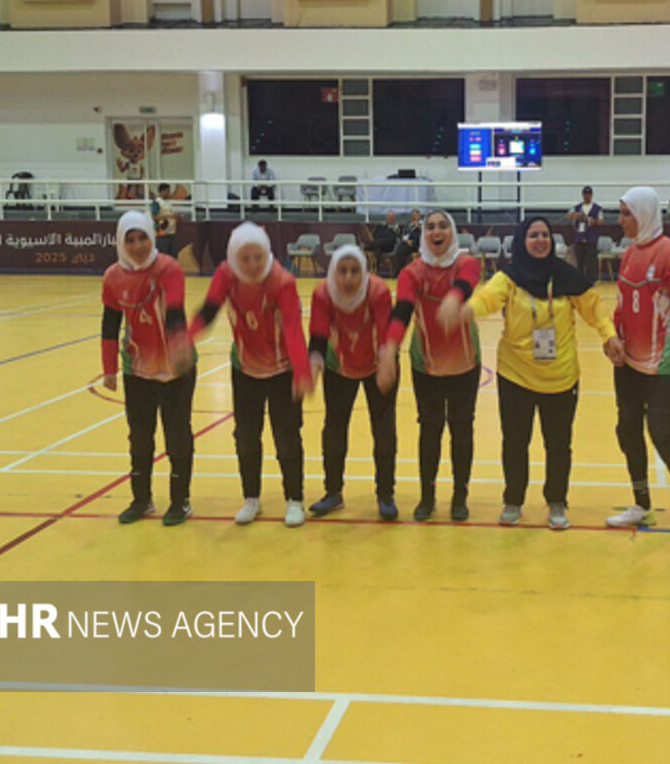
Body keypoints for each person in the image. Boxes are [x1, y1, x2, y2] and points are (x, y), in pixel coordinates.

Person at [442, 216, 622, 530]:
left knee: (558, 444)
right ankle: (513, 500)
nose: (540, 240)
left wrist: (609, 336)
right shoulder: (509, 278)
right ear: (522, 241)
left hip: (561, 376)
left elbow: (594, 309)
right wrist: (466, 311)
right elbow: (487, 298)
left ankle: (557, 501)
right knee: (515, 442)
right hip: (516, 374)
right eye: (533, 235)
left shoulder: (567, 277)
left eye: (545, 235)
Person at [188, 222, 313, 527]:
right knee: (245, 437)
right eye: (245, 258)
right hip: (245, 368)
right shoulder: (225, 275)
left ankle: (294, 499)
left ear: (267, 253)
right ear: (234, 256)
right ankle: (251, 498)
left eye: (258, 257)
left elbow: (293, 330)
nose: (253, 264)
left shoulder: (282, 281)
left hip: (282, 371)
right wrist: (186, 338)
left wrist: (301, 371)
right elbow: (209, 310)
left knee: (287, 437)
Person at [605, 187, 670, 532]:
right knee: (627, 429)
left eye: (626, 214)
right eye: (621, 213)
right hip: (628, 361)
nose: (620, 220)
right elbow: (621, 306)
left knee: (661, 430)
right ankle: (641, 504)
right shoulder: (628, 254)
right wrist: (613, 339)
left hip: (664, 361)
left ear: (644, 214)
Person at [377, 209, 482, 522]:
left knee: (462, 429)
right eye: (431, 227)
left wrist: (454, 298)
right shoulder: (412, 272)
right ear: (423, 234)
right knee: (430, 429)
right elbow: (403, 311)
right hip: (426, 364)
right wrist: (389, 350)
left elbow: (466, 283)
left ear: (452, 232)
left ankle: (460, 495)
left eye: (443, 226)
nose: (437, 232)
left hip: (465, 363)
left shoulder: (467, 263)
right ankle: (427, 495)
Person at [100, 211, 196, 526]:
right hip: (137, 369)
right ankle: (141, 499)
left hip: (175, 366)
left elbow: (175, 312)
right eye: (130, 240)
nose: (137, 246)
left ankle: (180, 501)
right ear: (121, 242)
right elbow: (110, 324)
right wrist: (109, 368)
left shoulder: (169, 268)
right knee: (140, 437)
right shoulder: (113, 277)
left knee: (177, 435)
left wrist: (178, 353)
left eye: (142, 238)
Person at [307, 245, 399, 521]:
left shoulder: (378, 291)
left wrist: (386, 364)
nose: (348, 278)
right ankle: (333, 492)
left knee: (383, 430)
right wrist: (312, 367)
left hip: (378, 363)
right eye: (342, 271)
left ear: (365, 272)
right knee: (334, 429)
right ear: (333, 271)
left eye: (355, 271)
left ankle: (385, 494)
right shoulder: (322, 293)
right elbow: (318, 336)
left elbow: (385, 332)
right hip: (339, 365)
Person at [565, 186, 602, 282]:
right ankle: (579, 280)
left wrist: (593, 221)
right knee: (579, 260)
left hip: (591, 238)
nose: (587, 196)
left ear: (592, 195)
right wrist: (576, 215)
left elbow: (601, 221)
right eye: (585, 194)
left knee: (591, 261)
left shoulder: (597, 208)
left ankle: (592, 280)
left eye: (589, 194)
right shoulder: (577, 207)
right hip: (579, 237)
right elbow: (568, 216)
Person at [368, 210, 408, 275]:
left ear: (394, 219)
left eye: (391, 218)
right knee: (377, 249)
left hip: (389, 246)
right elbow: (375, 235)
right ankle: (376, 269)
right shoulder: (381, 226)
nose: (390, 220)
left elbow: (400, 237)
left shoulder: (398, 227)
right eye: (388, 218)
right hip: (380, 245)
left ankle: (371, 247)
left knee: (381, 242)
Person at [152, 184, 180, 259]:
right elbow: (154, 217)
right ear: (162, 191)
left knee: (172, 255)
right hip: (162, 233)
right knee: (163, 256)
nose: (169, 193)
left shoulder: (168, 203)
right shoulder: (157, 202)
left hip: (171, 232)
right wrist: (169, 216)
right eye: (168, 191)